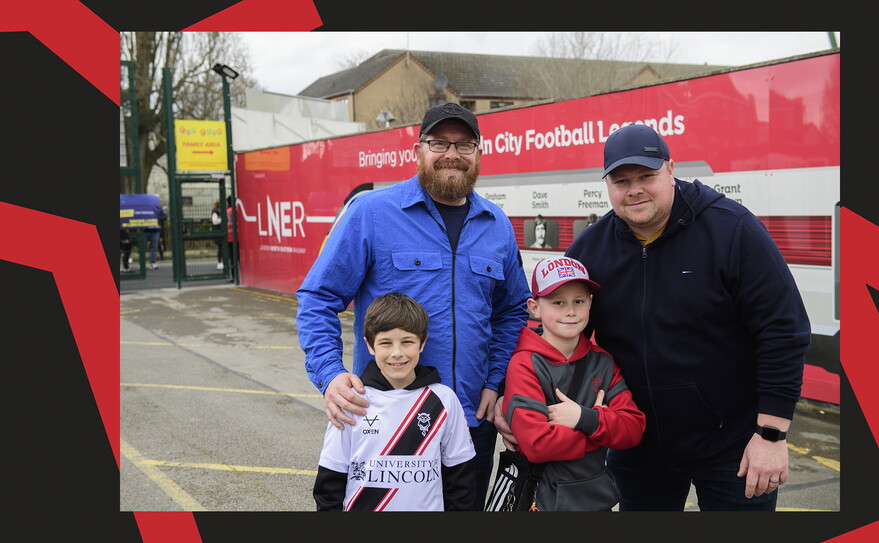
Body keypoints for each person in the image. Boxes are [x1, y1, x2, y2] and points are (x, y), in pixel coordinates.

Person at [497, 123, 810, 511]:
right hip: (638, 448)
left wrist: (771, 434)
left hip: (735, 446)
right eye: (621, 181)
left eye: (647, 176)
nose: (634, 190)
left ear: (671, 170)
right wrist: (512, 396)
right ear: (607, 184)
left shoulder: (732, 230)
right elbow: (554, 329)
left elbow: (783, 331)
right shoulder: (592, 249)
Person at [296, 102, 531, 510]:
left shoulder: (497, 225)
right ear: (418, 150)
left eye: (464, 144)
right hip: (386, 420)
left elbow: (511, 312)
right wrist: (330, 375)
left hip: (469, 421)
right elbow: (319, 297)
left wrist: (495, 382)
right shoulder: (371, 213)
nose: (452, 154)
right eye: (439, 143)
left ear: (478, 153)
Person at [501, 256, 645, 511]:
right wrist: (599, 431)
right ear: (535, 307)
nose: (570, 311)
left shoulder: (603, 362)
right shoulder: (524, 364)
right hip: (542, 501)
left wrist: (583, 418)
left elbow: (633, 429)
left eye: (579, 301)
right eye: (558, 302)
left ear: (590, 302)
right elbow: (537, 445)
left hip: (595, 499)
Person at [313, 292, 476, 511]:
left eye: (407, 342)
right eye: (386, 343)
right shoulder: (352, 401)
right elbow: (330, 480)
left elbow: (461, 477)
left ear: (422, 342)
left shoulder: (444, 399)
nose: (397, 353)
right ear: (370, 346)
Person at [146, 196, 166, 270]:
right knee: (143, 246)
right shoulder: (145, 207)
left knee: (154, 247)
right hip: (145, 229)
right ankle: (142, 263)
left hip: (155, 229)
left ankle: (152, 262)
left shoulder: (158, 208)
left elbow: (164, 216)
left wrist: (157, 218)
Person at [211, 199, 224, 270]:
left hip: (220, 231)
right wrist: (223, 219)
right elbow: (215, 221)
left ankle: (221, 262)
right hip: (217, 232)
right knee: (220, 247)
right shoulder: (215, 211)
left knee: (222, 248)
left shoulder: (219, 211)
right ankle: (220, 262)